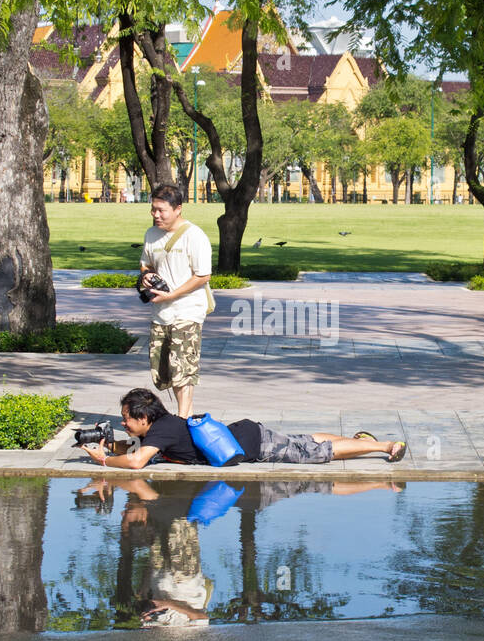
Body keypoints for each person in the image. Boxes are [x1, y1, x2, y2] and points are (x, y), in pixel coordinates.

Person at [79, 388, 407, 468]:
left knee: (314, 453)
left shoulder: (161, 431)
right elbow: (136, 451)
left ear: (144, 418)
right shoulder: (160, 427)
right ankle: (358, 440)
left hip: (252, 445)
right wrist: (108, 444)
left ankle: (385, 446)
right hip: (246, 432)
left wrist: (103, 460)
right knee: (304, 439)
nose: (122, 424)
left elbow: (136, 462)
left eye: (126, 418)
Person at [140, 184, 211, 419]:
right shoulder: (151, 234)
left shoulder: (195, 236)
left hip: (188, 310)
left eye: (162, 210)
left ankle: (182, 420)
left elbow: (202, 276)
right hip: (161, 311)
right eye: (153, 210)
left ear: (178, 209)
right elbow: (146, 264)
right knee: (163, 371)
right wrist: (147, 276)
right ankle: (184, 418)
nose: (156, 215)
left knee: (182, 367)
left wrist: (172, 295)